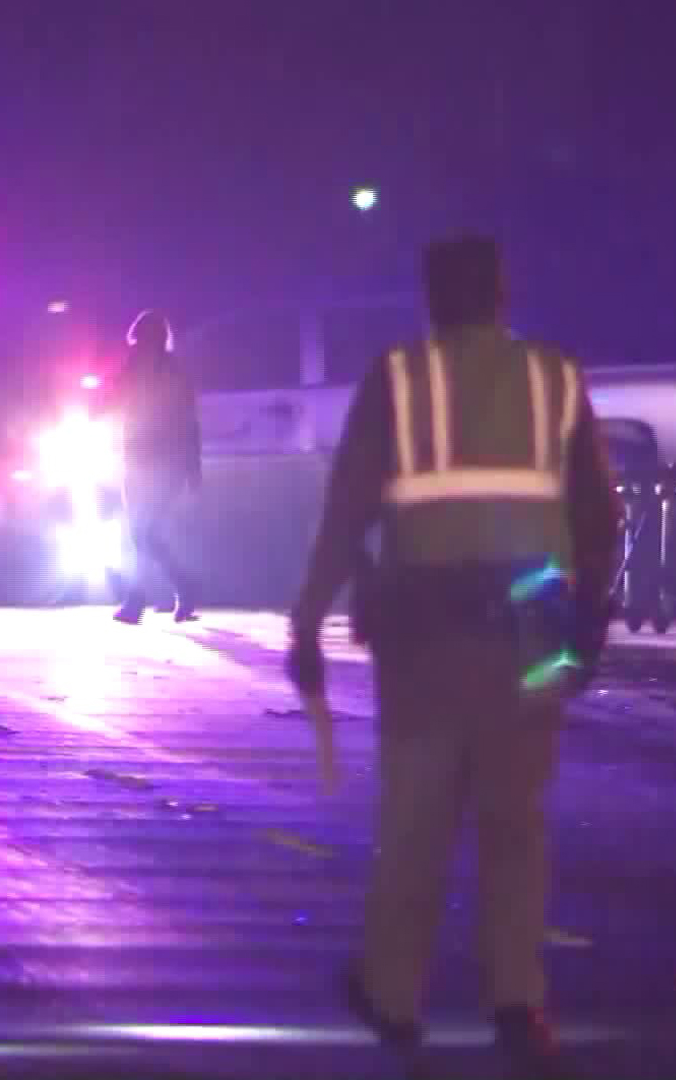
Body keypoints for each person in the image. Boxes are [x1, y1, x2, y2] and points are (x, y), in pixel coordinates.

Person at [285, 235, 622, 1076]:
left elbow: (345, 515)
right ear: (504, 297)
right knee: (518, 826)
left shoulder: (399, 381)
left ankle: (394, 998)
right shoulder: (556, 379)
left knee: (416, 825)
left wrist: (306, 623)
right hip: (536, 625)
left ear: (429, 300)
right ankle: (517, 1000)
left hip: (427, 632)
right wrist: (591, 625)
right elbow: (598, 516)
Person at [109, 309, 202, 623]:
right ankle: (180, 589)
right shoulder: (136, 369)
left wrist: (192, 467)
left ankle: (141, 599)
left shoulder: (170, 374)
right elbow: (112, 401)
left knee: (144, 531)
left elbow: (188, 423)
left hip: (162, 463)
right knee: (141, 533)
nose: (141, 345)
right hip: (140, 462)